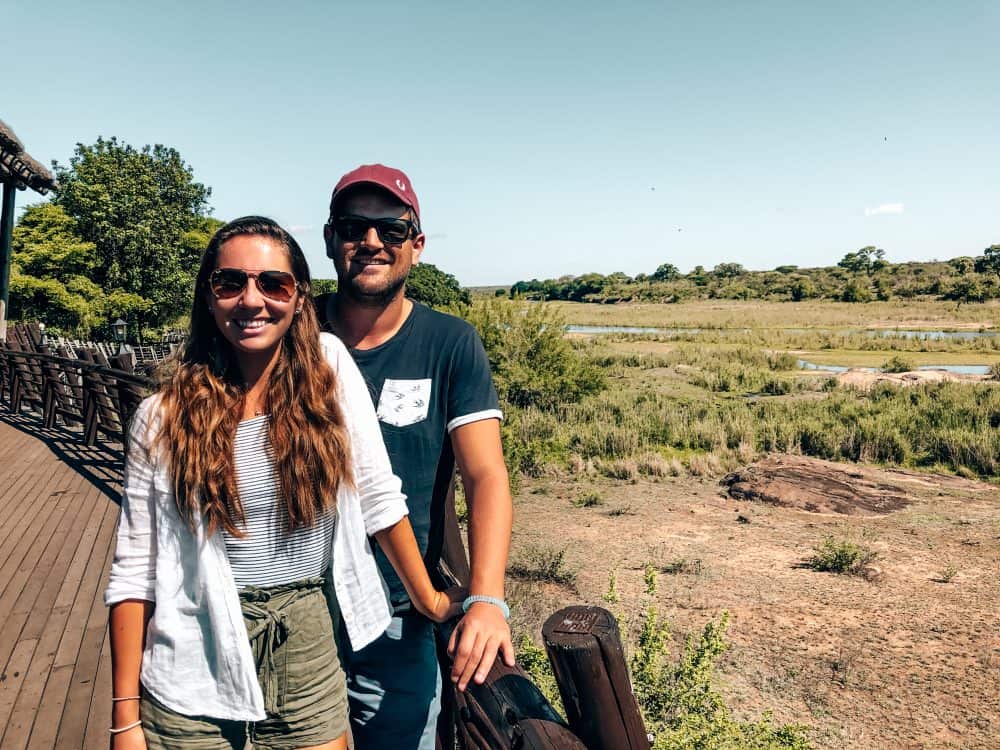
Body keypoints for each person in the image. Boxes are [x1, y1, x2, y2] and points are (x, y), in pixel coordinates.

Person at [104, 216, 460, 749]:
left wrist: (431, 602)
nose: (252, 300)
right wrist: (124, 718)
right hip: (192, 653)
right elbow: (135, 569)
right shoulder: (162, 416)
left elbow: (378, 495)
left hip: (306, 639)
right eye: (231, 283)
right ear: (208, 296)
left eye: (273, 283)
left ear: (298, 298)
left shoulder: (328, 371)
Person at [317, 164, 515, 749]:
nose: (371, 242)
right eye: (354, 227)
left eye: (392, 231)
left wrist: (485, 598)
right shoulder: (293, 332)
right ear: (331, 239)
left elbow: (485, 476)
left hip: (400, 611)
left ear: (416, 246)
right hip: (294, 602)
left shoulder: (448, 342)